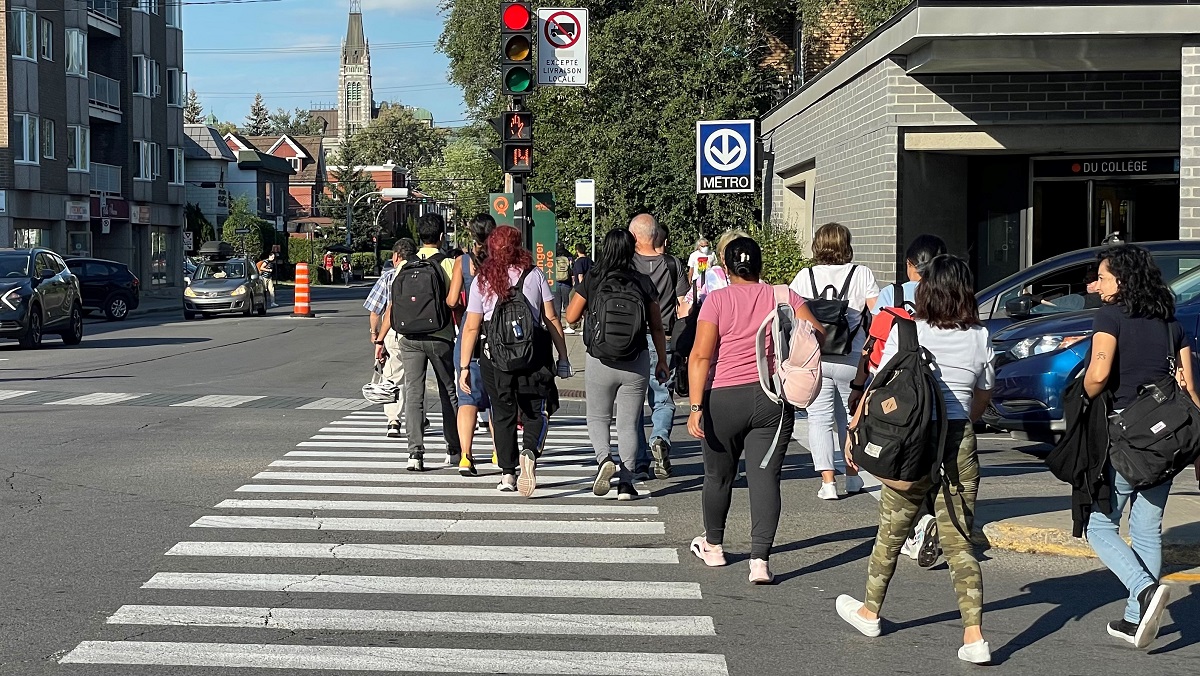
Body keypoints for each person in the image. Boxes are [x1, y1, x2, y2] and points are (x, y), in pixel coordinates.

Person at [835, 254, 995, 665]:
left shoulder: (908, 331)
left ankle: (871, 612)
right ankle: (974, 638)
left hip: (913, 443)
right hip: (958, 440)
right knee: (960, 541)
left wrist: (855, 433)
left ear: (926, 288)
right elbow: (982, 394)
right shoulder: (980, 336)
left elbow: (879, 387)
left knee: (891, 532)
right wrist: (961, 422)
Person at [1082, 244, 1199, 649]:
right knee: (1147, 530)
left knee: (1098, 524)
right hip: (1169, 444)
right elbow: (1190, 393)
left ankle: (1144, 591)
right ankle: (1136, 617)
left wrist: (1082, 388)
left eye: (1103, 278)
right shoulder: (1172, 325)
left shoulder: (1110, 317)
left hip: (1126, 441)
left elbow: (1097, 375)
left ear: (1124, 281)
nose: (1095, 287)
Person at [687, 237, 822, 583]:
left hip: (723, 398)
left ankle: (714, 546)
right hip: (771, 399)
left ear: (726, 268)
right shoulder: (783, 296)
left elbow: (701, 355)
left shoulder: (716, 300)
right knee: (765, 479)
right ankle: (760, 561)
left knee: (718, 476)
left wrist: (695, 406)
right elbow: (816, 333)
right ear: (760, 265)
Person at [458, 225, 572, 497]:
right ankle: (530, 451)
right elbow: (551, 318)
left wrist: (464, 366)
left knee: (503, 414)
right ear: (519, 246)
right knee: (535, 410)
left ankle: (508, 473)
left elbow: (472, 326)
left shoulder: (482, 280)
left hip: (494, 359)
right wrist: (564, 356)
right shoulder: (534, 275)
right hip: (532, 355)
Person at [860, 234, 947, 565]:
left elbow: (876, 343)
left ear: (910, 266)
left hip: (899, 393)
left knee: (897, 459)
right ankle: (927, 521)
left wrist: (866, 389)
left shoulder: (891, 294)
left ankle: (916, 526)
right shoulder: (951, 295)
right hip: (940, 390)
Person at [565, 229, 669, 501]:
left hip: (600, 359)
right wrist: (663, 361)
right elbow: (656, 326)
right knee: (628, 423)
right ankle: (626, 483)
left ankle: (603, 460)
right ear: (631, 249)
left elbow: (571, 316)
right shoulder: (643, 281)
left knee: (598, 417)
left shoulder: (594, 277)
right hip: (636, 361)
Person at [790, 222, 879, 500]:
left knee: (818, 418)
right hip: (851, 357)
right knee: (850, 418)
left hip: (817, 356)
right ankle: (852, 477)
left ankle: (828, 483)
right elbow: (878, 315)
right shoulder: (861, 273)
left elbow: (790, 314)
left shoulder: (805, 276)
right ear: (846, 245)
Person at [375, 214, 463, 471]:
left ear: (419, 237)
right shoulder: (448, 264)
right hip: (440, 335)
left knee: (414, 393)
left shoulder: (403, 267)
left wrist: (380, 339)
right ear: (441, 236)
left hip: (409, 337)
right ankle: (454, 449)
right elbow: (453, 301)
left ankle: (415, 453)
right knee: (449, 391)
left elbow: (393, 306)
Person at [630, 213, 688, 479]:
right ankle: (660, 437)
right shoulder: (673, 264)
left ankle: (639, 461)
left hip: (630, 340)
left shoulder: (627, 264)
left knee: (632, 403)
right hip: (662, 339)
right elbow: (684, 305)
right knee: (663, 399)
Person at [446, 214, 496, 476]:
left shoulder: (462, 262)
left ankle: (466, 456)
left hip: (469, 333)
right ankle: (500, 451)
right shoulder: (502, 261)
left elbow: (452, 300)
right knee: (498, 398)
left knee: (467, 397)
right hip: (497, 335)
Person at [364, 239, 415, 438]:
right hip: (420, 331)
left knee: (392, 375)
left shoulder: (389, 277)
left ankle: (393, 420)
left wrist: (375, 335)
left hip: (394, 332)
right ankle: (420, 417)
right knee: (415, 377)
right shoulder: (424, 272)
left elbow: (376, 311)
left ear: (396, 256)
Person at [567, 244, 593, 334]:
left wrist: (582, 287)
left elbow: (580, 274)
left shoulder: (579, 262)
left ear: (577, 251)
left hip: (580, 287)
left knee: (572, 299)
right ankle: (585, 326)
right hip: (590, 285)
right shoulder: (590, 261)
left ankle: (572, 326)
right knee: (587, 307)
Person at [553, 242, 574, 328]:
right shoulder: (569, 256)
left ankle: (558, 325)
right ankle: (569, 324)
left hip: (556, 283)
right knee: (567, 305)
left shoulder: (553, 256)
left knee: (557, 305)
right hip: (567, 284)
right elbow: (572, 269)